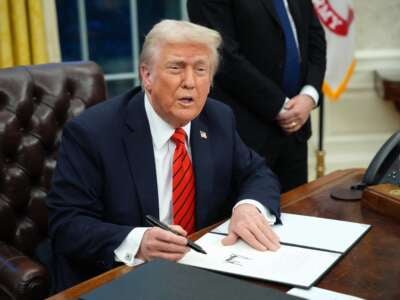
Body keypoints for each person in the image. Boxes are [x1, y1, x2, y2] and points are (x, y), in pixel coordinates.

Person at [47, 20, 281, 292]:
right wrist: (138, 242)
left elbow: (257, 172)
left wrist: (248, 207)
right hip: (120, 276)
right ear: (146, 76)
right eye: (176, 68)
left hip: (201, 271)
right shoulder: (93, 133)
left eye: (201, 70)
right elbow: (66, 224)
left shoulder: (217, 118)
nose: (190, 83)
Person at [187, 0, 327, 192]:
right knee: (247, 217)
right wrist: (280, 106)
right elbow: (222, 55)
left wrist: (309, 95)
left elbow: (316, 40)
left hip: (295, 130)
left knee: (297, 213)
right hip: (244, 135)